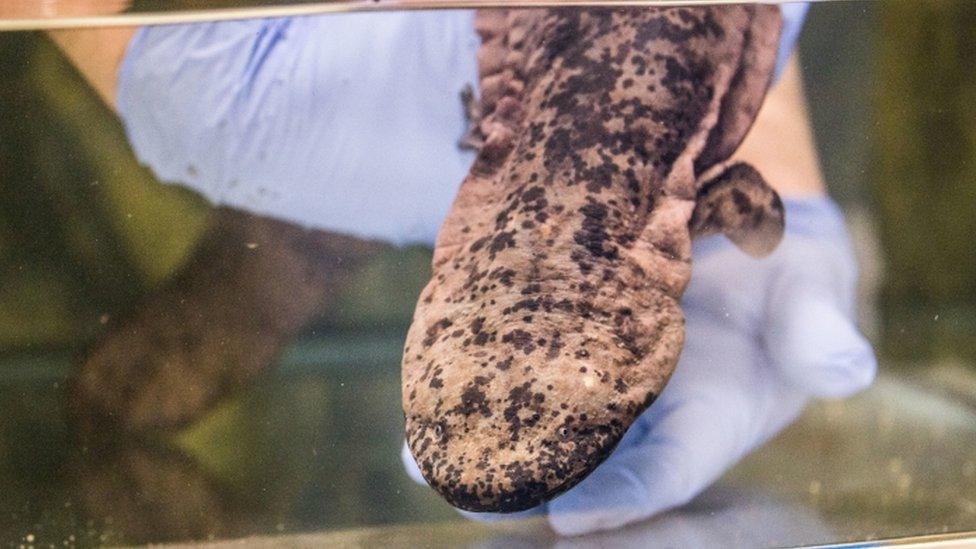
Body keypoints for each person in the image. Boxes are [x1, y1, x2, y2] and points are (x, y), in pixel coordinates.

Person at [48, 3, 875, 536]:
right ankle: (320, 230)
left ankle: (319, 230)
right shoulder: (243, 110)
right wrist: (764, 200)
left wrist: (779, 175)